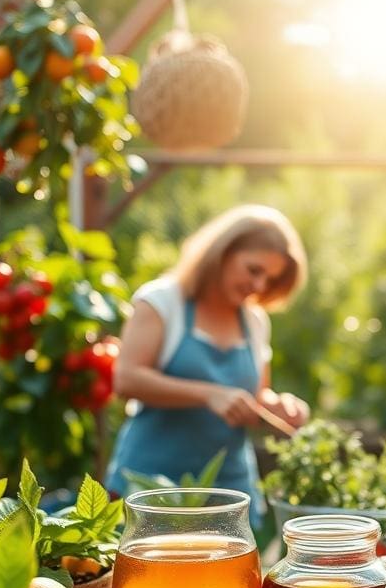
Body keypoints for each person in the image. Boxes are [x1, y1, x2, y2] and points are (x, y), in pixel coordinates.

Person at [105, 204, 310, 525]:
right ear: (222, 253)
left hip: (229, 493)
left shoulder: (255, 321)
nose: (259, 287)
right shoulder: (162, 302)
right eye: (254, 270)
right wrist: (208, 394)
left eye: (269, 279)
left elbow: (256, 395)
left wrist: (279, 407)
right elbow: (126, 380)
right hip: (150, 489)